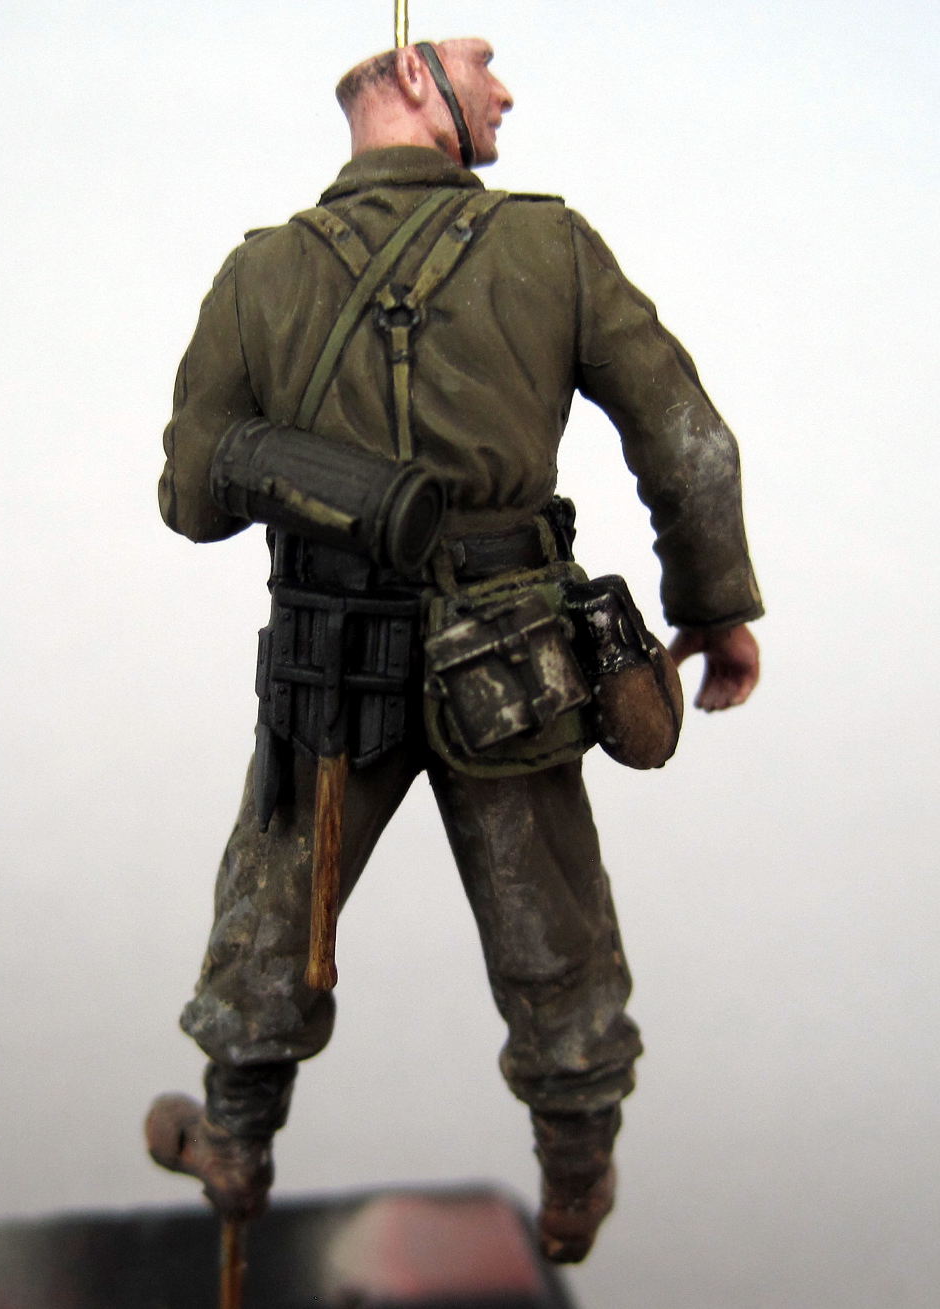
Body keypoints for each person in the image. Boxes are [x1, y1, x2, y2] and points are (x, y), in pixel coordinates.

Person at [146, 37, 762, 1265]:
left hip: (332, 666)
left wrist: (293, 466)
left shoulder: (261, 275)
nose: (506, 90)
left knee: (271, 915)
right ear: (415, 79)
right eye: (485, 65)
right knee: (555, 927)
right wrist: (711, 602)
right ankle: (575, 1175)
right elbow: (688, 440)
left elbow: (191, 496)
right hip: (513, 659)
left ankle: (235, 1144)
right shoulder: (551, 247)